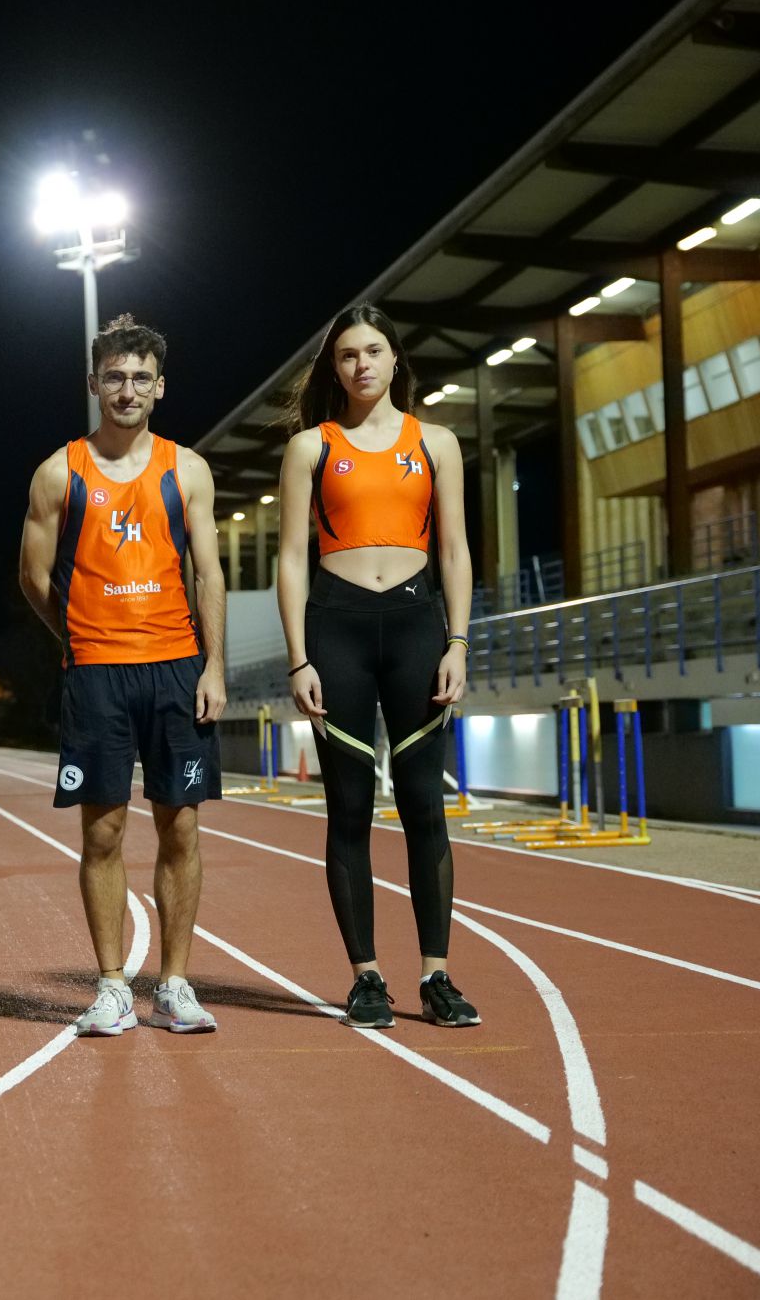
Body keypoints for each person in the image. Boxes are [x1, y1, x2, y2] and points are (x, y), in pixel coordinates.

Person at [19, 314, 226, 1038]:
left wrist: (215, 665)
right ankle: (111, 986)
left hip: (176, 667)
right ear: (93, 384)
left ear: (159, 386)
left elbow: (209, 572)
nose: (127, 388)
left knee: (182, 830)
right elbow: (33, 574)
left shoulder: (187, 468)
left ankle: (172, 984)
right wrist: (75, 636)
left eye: (141, 377)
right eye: (115, 376)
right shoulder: (59, 471)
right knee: (102, 833)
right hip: (98, 671)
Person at [275, 304, 478, 1028]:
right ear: (335, 369)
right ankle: (365, 976)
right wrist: (300, 656)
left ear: (396, 360)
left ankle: (437, 975)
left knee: (426, 805)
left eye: (374, 351)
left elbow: (454, 549)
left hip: (420, 627)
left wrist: (457, 642)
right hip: (339, 631)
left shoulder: (438, 443)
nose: (362, 364)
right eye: (348, 356)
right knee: (350, 809)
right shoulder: (310, 449)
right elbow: (292, 560)